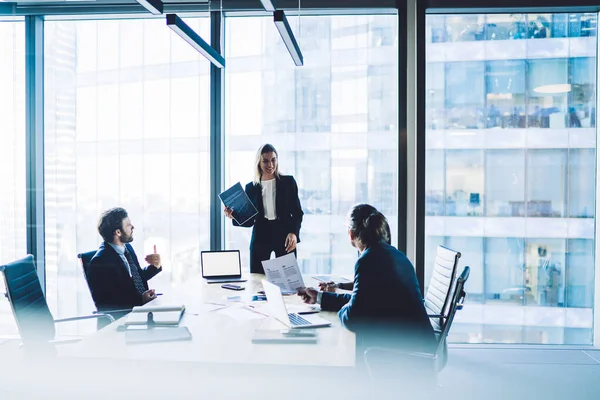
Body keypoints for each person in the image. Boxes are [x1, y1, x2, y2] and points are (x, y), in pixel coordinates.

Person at [298, 204, 436, 355]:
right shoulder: (394, 254)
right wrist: (319, 297)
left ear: (351, 234)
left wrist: (344, 309)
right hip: (419, 344)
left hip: (405, 352)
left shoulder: (368, 260)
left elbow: (353, 318)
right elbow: (361, 302)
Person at [224, 144, 303, 274]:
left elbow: (297, 213)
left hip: (284, 234)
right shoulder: (251, 187)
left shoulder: (288, 182)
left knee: (289, 279)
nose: (270, 164)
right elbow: (249, 221)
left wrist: (293, 233)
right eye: (265, 161)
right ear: (259, 163)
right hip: (261, 234)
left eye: (273, 160)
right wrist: (233, 215)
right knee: (257, 279)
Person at [87, 207, 162, 316]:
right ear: (118, 232)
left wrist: (155, 266)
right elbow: (106, 305)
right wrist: (140, 301)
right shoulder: (99, 262)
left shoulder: (128, 248)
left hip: (141, 313)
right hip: (122, 322)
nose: (133, 227)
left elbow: (136, 279)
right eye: (128, 225)